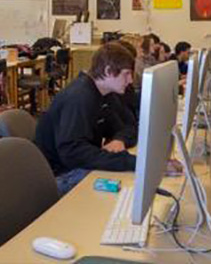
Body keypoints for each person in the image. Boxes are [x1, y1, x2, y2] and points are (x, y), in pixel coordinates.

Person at [35, 43, 139, 196]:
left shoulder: (106, 94)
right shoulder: (79, 98)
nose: (130, 80)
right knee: (124, 189)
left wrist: (120, 140)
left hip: (77, 165)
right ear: (108, 71)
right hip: (61, 174)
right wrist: (134, 163)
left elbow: (129, 126)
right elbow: (72, 153)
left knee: (128, 182)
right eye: (126, 74)